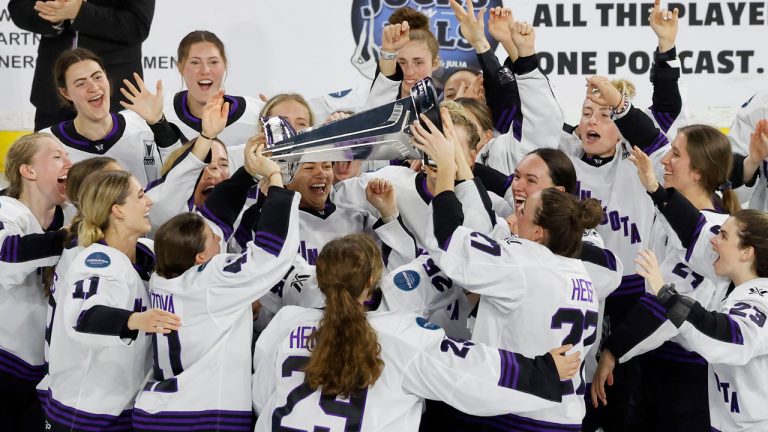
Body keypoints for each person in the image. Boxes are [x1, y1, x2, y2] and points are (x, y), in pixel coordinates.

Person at [252, 233, 582, 431]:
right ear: (371, 281)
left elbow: (263, 398)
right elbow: (468, 374)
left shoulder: (287, 322)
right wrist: (543, 372)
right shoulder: (400, 336)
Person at [414, 108, 602, 430]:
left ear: (539, 232)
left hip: (516, 415)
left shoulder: (523, 263)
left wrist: (445, 169)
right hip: (565, 417)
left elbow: (448, 239)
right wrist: (458, 160)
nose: (515, 216)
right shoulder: (579, 274)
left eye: (525, 213)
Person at [132, 145, 299, 431]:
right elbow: (272, 254)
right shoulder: (212, 281)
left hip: (157, 411)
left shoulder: (164, 273)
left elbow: (214, 218)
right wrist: (275, 181)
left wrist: (246, 173)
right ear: (201, 257)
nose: (220, 236)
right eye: (212, 238)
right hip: (203, 416)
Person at [591, 124, 740, 431]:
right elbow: (652, 140)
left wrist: (612, 351)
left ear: (697, 172)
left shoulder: (715, 235)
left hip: (685, 374)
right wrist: (621, 107)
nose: (665, 160)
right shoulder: (675, 212)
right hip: (659, 362)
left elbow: (666, 305)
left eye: (676, 154)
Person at [45, 171, 181, 431]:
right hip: (84, 412)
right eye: (140, 196)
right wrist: (136, 319)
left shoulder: (144, 253)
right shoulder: (98, 260)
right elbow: (83, 318)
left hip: (119, 409)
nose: (148, 202)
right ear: (117, 210)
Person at [626, 209, 768, 432]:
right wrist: (657, 190)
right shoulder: (740, 291)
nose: (714, 240)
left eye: (723, 236)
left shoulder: (760, 302)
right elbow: (692, 231)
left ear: (746, 252)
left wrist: (665, 293)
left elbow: (727, 335)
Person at [0, 133, 71, 431]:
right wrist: (71, 238)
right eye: (57, 156)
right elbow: (7, 255)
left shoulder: (68, 217)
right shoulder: (7, 209)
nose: (68, 162)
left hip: (41, 380)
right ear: (28, 171)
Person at [39, 48, 181, 186]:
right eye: (81, 83)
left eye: (97, 77)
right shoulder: (49, 142)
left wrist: (159, 123)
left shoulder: (142, 123)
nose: (94, 87)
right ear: (65, 93)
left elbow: (179, 175)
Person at [8, 0, 155, 131]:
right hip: (52, 95)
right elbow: (19, 7)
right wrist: (53, 15)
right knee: (47, 156)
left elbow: (136, 25)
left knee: (110, 161)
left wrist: (80, 12)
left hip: (114, 95)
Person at [164, 30, 264, 149]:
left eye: (213, 62)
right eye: (195, 62)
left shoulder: (257, 115)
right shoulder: (161, 114)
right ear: (179, 67)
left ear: (225, 64)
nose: (205, 70)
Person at [365, 7, 440, 108]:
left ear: (434, 63)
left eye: (418, 62)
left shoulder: (447, 105)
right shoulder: (366, 103)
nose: (409, 72)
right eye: (402, 62)